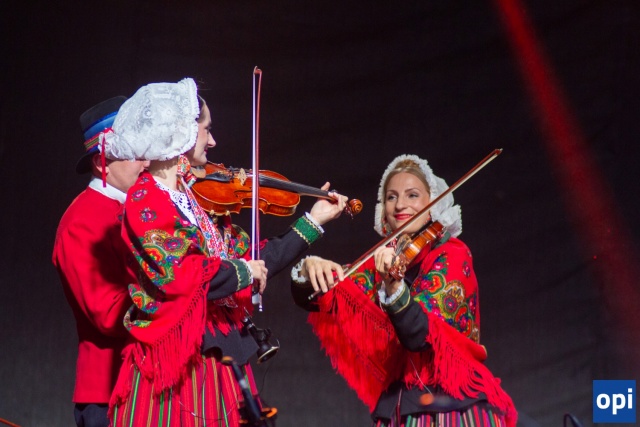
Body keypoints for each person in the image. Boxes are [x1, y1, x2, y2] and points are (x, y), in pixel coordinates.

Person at [101, 77, 348, 426]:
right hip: (179, 362)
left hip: (218, 354)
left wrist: (313, 221)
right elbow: (182, 275)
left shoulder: (194, 199)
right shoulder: (146, 200)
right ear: (181, 131)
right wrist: (244, 272)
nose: (213, 140)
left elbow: (254, 259)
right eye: (206, 129)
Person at [290, 154, 517, 426]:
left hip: (453, 408)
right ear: (383, 210)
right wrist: (311, 268)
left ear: (433, 203)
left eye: (412, 195)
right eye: (391, 197)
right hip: (401, 407)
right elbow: (318, 296)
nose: (400, 205)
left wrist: (393, 285)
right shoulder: (381, 261)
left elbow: (418, 334)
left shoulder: (453, 255)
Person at [52, 96, 150, 427]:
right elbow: (108, 314)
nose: (146, 164)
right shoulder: (80, 221)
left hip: (146, 384)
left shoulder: (140, 208)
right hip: (110, 392)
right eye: (135, 155)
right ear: (101, 163)